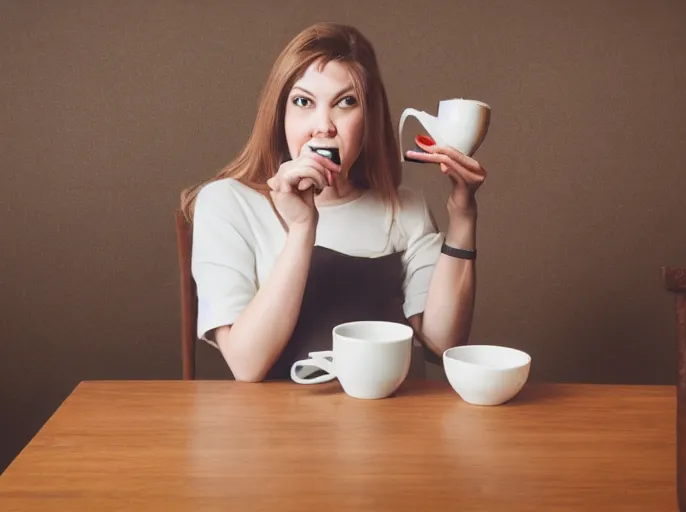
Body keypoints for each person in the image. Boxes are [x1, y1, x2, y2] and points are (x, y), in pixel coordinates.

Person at [180, 22, 487, 382]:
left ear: (368, 118)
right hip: (276, 432)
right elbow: (247, 364)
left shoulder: (403, 207)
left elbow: (442, 340)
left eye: (346, 102)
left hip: (391, 427)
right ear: (280, 115)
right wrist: (302, 226)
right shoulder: (227, 202)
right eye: (303, 102)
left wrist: (464, 213)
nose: (323, 126)